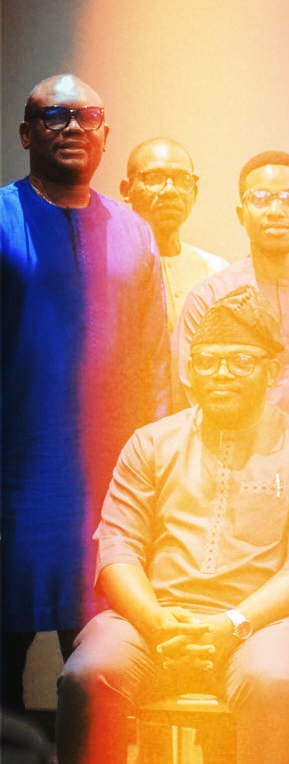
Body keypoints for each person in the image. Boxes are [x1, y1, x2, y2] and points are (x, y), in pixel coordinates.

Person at [54, 286, 289, 764]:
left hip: (265, 626)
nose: (221, 375)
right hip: (155, 621)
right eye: (207, 361)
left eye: (240, 361)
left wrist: (230, 625)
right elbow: (117, 549)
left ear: (272, 370)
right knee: (89, 675)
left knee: (272, 679)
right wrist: (155, 621)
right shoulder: (152, 443)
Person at [1, 73, 168, 715]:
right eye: (54, 116)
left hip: (105, 491)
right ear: (26, 133)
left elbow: (155, 366)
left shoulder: (133, 233)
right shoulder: (2, 217)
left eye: (88, 116)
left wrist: (154, 488)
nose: (72, 127)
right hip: (13, 485)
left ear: (104, 135)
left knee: (98, 674)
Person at [175, 150, 289, 434]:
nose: (275, 210)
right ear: (241, 215)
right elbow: (192, 395)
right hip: (231, 466)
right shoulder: (209, 298)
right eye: (260, 198)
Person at [121, 136, 229, 332]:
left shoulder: (217, 272)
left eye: (182, 180)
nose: (170, 190)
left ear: (194, 193)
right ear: (127, 189)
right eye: (154, 178)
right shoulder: (108, 267)